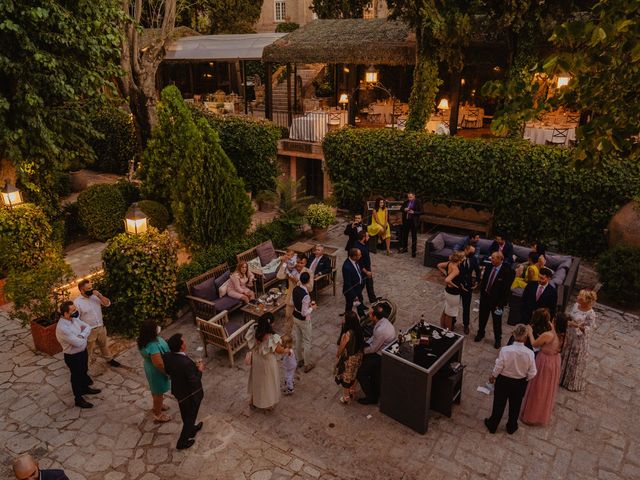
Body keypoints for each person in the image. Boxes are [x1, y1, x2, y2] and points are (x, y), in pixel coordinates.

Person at [484, 324, 537, 435]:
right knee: (515, 405)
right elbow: (533, 373)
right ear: (526, 337)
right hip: (519, 382)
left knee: (499, 404)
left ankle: (493, 425)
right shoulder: (530, 353)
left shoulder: (505, 350)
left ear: (513, 334)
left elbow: (499, 366)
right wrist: (524, 379)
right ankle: (511, 427)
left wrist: (493, 376)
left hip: (503, 381)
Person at [520, 310, 562, 426]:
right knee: (547, 388)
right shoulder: (562, 333)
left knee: (538, 387)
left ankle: (532, 415)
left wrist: (530, 332)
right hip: (555, 360)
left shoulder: (548, 334)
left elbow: (534, 343)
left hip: (545, 361)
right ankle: (541, 412)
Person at [55, 301, 100, 408]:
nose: (76, 312)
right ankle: (78, 399)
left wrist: (81, 336)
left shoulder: (74, 319)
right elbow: (78, 342)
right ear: (66, 314)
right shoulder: (62, 328)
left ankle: (85, 389)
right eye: (73, 310)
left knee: (84, 371)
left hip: (82, 352)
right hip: (73, 357)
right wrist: (83, 337)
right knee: (76, 378)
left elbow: (88, 327)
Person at [163, 333, 204, 450]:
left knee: (185, 413)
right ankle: (182, 442)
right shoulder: (185, 363)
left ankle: (191, 429)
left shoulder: (167, 356)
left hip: (179, 390)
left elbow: (168, 370)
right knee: (190, 416)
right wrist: (200, 370)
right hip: (190, 395)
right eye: (183, 341)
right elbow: (195, 381)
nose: (185, 342)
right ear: (181, 347)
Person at [245, 313, 292, 410]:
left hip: (257, 359)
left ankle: (253, 400)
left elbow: (250, 342)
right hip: (267, 362)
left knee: (257, 380)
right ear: (270, 324)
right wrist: (287, 350)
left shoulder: (253, 329)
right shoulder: (272, 337)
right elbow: (279, 351)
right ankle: (268, 404)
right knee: (268, 383)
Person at [73, 279, 121, 368]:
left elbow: (107, 304)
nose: (91, 289)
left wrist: (99, 295)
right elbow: (76, 319)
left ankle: (109, 359)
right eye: (88, 288)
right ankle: (84, 367)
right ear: (82, 290)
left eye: (91, 287)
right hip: (89, 331)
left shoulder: (95, 296)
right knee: (88, 351)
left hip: (101, 327)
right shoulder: (77, 302)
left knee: (103, 345)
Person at [475, 252, 516, 348]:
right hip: (485, 298)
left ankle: (498, 339)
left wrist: (501, 304)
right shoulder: (489, 266)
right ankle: (480, 333)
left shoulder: (506, 272)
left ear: (500, 260)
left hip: (497, 302)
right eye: (491, 257)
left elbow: (506, 291)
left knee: (497, 321)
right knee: (482, 317)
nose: (491, 259)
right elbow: (484, 280)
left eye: (493, 258)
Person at [356, 305, 396, 405]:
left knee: (361, 373)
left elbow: (373, 349)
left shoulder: (380, 330)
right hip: (381, 349)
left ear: (374, 316)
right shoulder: (383, 321)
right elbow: (374, 338)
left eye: (370, 314)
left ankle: (371, 397)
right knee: (374, 373)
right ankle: (375, 389)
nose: (368, 315)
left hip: (381, 355)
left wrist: (362, 351)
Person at [560, 289, 598, 391]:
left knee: (574, 359)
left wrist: (576, 325)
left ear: (585, 300)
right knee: (565, 355)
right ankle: (560, 378)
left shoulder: (591, 314)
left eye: (580, 297)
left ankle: (570, 382)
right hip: (570, 335)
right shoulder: (576, 305)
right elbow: (571, 316)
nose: (577, 297)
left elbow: (589, 329)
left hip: (579, 339)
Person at [137, 320, 171, 423]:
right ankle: (158, 414)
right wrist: (167, 373)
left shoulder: (143, 339)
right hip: (157, 372)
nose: (158, 328)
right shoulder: (152, 346)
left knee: (155, 391)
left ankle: (158, 406)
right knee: (158, 393)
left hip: (150, 367)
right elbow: (158, 364)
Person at [277, 253, 314, 335]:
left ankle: (302, 338)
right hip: (290, 300)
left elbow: (310, 288)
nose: (299, 264)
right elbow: (279, 276)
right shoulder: (290, 269)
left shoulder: (309, 272)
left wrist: (297, 281)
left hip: (302, 302)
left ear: (305, 263)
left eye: (302, 263)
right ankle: (287, 339)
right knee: (288, 320)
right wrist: (284, 263)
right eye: (298, 262)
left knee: (303, 322)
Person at [335, 311, 365, 404]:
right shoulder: (359, 329)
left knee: (346, 378)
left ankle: (346, 397)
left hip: (350, 359)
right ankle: (352, 390)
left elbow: (341, 347)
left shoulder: (348, 334)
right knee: (355, 374)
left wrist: (338, 355)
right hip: (359, 355)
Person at [292, 272, 317, 373]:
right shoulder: (305, 296)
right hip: (303, 320)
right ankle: (307, 364)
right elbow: (304, 313)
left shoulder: (295, 289)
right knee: (307, 341)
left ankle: (300, 360)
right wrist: (312, 308)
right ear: (308, 280)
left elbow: (296, 303)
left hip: (295, 317)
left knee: (298, 339)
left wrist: (307, 305)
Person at [437, 251, 466, 330]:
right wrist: (456, 286)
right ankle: (447, 332)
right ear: (460, 259)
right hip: (453, 294)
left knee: (446, 310)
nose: (464, 259)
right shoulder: (456, 269)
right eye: (463, 258)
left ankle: (442, 328)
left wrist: (446, 273)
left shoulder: (449, 263)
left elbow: (439, 265)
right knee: (450, 314)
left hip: (448, 291)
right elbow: (447, 280)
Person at [459, 244, 481, 334]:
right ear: (466, 250)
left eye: (473, 252)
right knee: (454, 304)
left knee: (466, 306)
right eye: (471, 252)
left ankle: (466, 325)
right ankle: (452, 321)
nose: (473, 254)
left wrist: (477, 282)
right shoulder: (459, 256)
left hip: (468, 285)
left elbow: (478, 272)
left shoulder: (474, 259)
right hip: (457, 284)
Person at [355, 231, 378, 303]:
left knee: (370, 284)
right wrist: (366, 271)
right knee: (360, 286)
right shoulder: (359, 248)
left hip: (367, 267)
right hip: (363, 270)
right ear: (363, 238)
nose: (369, 237)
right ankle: (356, 301)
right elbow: (359, 263)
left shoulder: (364, 244)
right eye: (367, 236)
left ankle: (373, 299)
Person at [399, 192, 422, 257]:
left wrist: (414, 212)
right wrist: (404, 209)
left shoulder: (418, 202)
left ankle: (413, 252)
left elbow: (422, 211)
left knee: (414, 237)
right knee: (405, 235)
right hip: (406, 220)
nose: (409, 198)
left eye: (411, 197)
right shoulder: (406, 202)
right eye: (408, 197)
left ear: (414, 196)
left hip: (414, 222)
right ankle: (404, 248)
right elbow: (401, 209)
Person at [342, 248, 364, 313]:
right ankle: (348, 320)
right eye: (359, 255)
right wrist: (354, 296)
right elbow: (348, 284)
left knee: (360, 306)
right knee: (349, 307)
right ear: (354, 256)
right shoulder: (347, 267)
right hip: (351, 292)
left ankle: (362, 318)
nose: (361, 256)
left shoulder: (355, 260)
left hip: (358, 289)